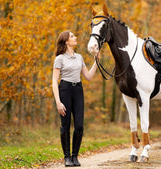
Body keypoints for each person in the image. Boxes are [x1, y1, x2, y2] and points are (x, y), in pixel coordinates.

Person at [52, 31, 99, 167]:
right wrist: (58, 101)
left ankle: (75, 156)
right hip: (65, 90)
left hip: (78, 90)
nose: (75, 38)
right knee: (65, 125)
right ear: (66, 41)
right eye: (72, 36)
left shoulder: (79, 57)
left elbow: (88, 76)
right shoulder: (59, 59)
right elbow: (54, 81)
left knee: (79, 125)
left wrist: (96, 61)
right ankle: (67, 157)